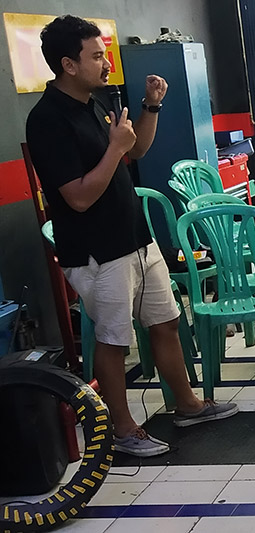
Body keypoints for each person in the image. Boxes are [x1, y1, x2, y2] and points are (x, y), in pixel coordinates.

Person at [26, 15, 238, 457]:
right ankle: (121, 430)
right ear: (68, 64)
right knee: (114, 340)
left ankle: (187, 405)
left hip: (135, 238)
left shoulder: (96, 102)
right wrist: (115, 148)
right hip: (97, 251)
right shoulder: (47, 120)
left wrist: (150, 107)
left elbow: (135, 149)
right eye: (96, 56)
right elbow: (78, 197)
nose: (107, 64)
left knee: (166, 321)